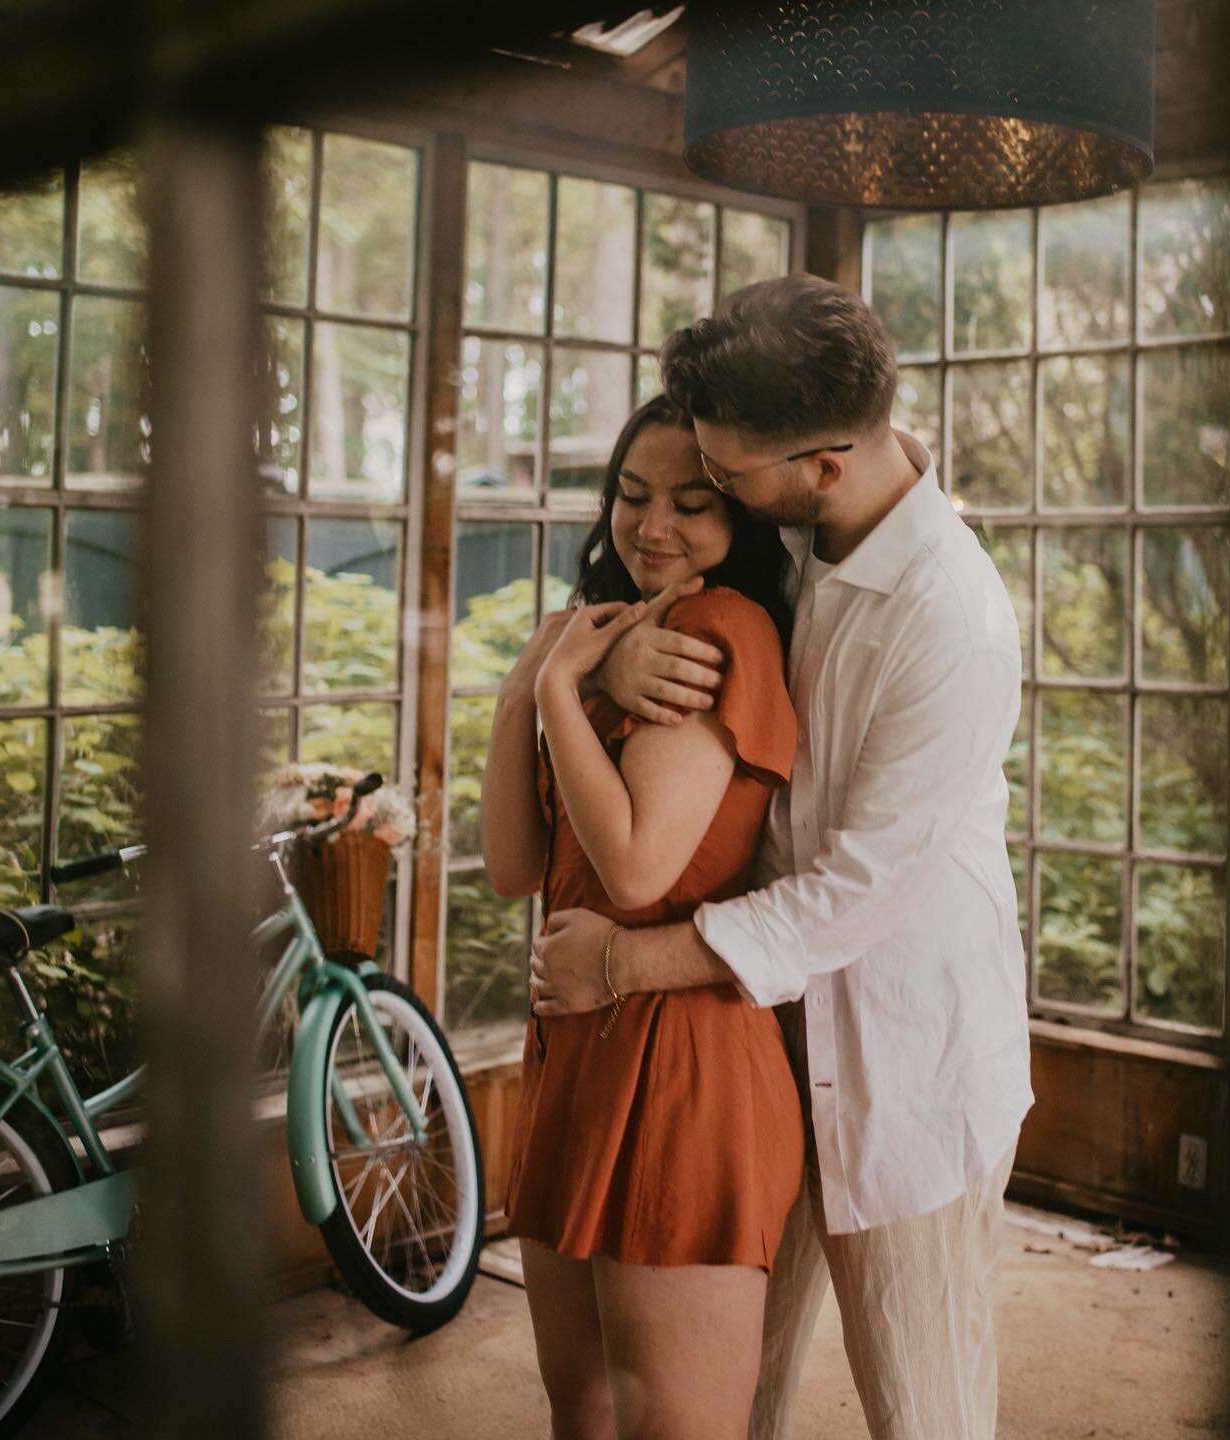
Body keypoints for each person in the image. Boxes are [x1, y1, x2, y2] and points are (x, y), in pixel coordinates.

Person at [530, 274, 1034, 1440]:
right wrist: (598, 669)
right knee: (725, 1397)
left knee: (926, 1408)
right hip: (750, 1048)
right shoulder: (799, 523)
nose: (713, 504)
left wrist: (621, 966)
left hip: (899, 1058)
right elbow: (680, 601)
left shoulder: (952, 621)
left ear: (820, 468)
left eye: (729, 479)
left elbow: (854, 896)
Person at [480, 394, 806, 1440]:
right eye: (630, 495)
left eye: (693, 504)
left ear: (742, 524)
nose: (651, 527)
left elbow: (632, 867)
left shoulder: (721, 630)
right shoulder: (596, 635)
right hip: (572, 1047)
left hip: (681, 1060)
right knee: (581, 1419)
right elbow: (509, 865)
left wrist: (559, 696)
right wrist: (527, 690)